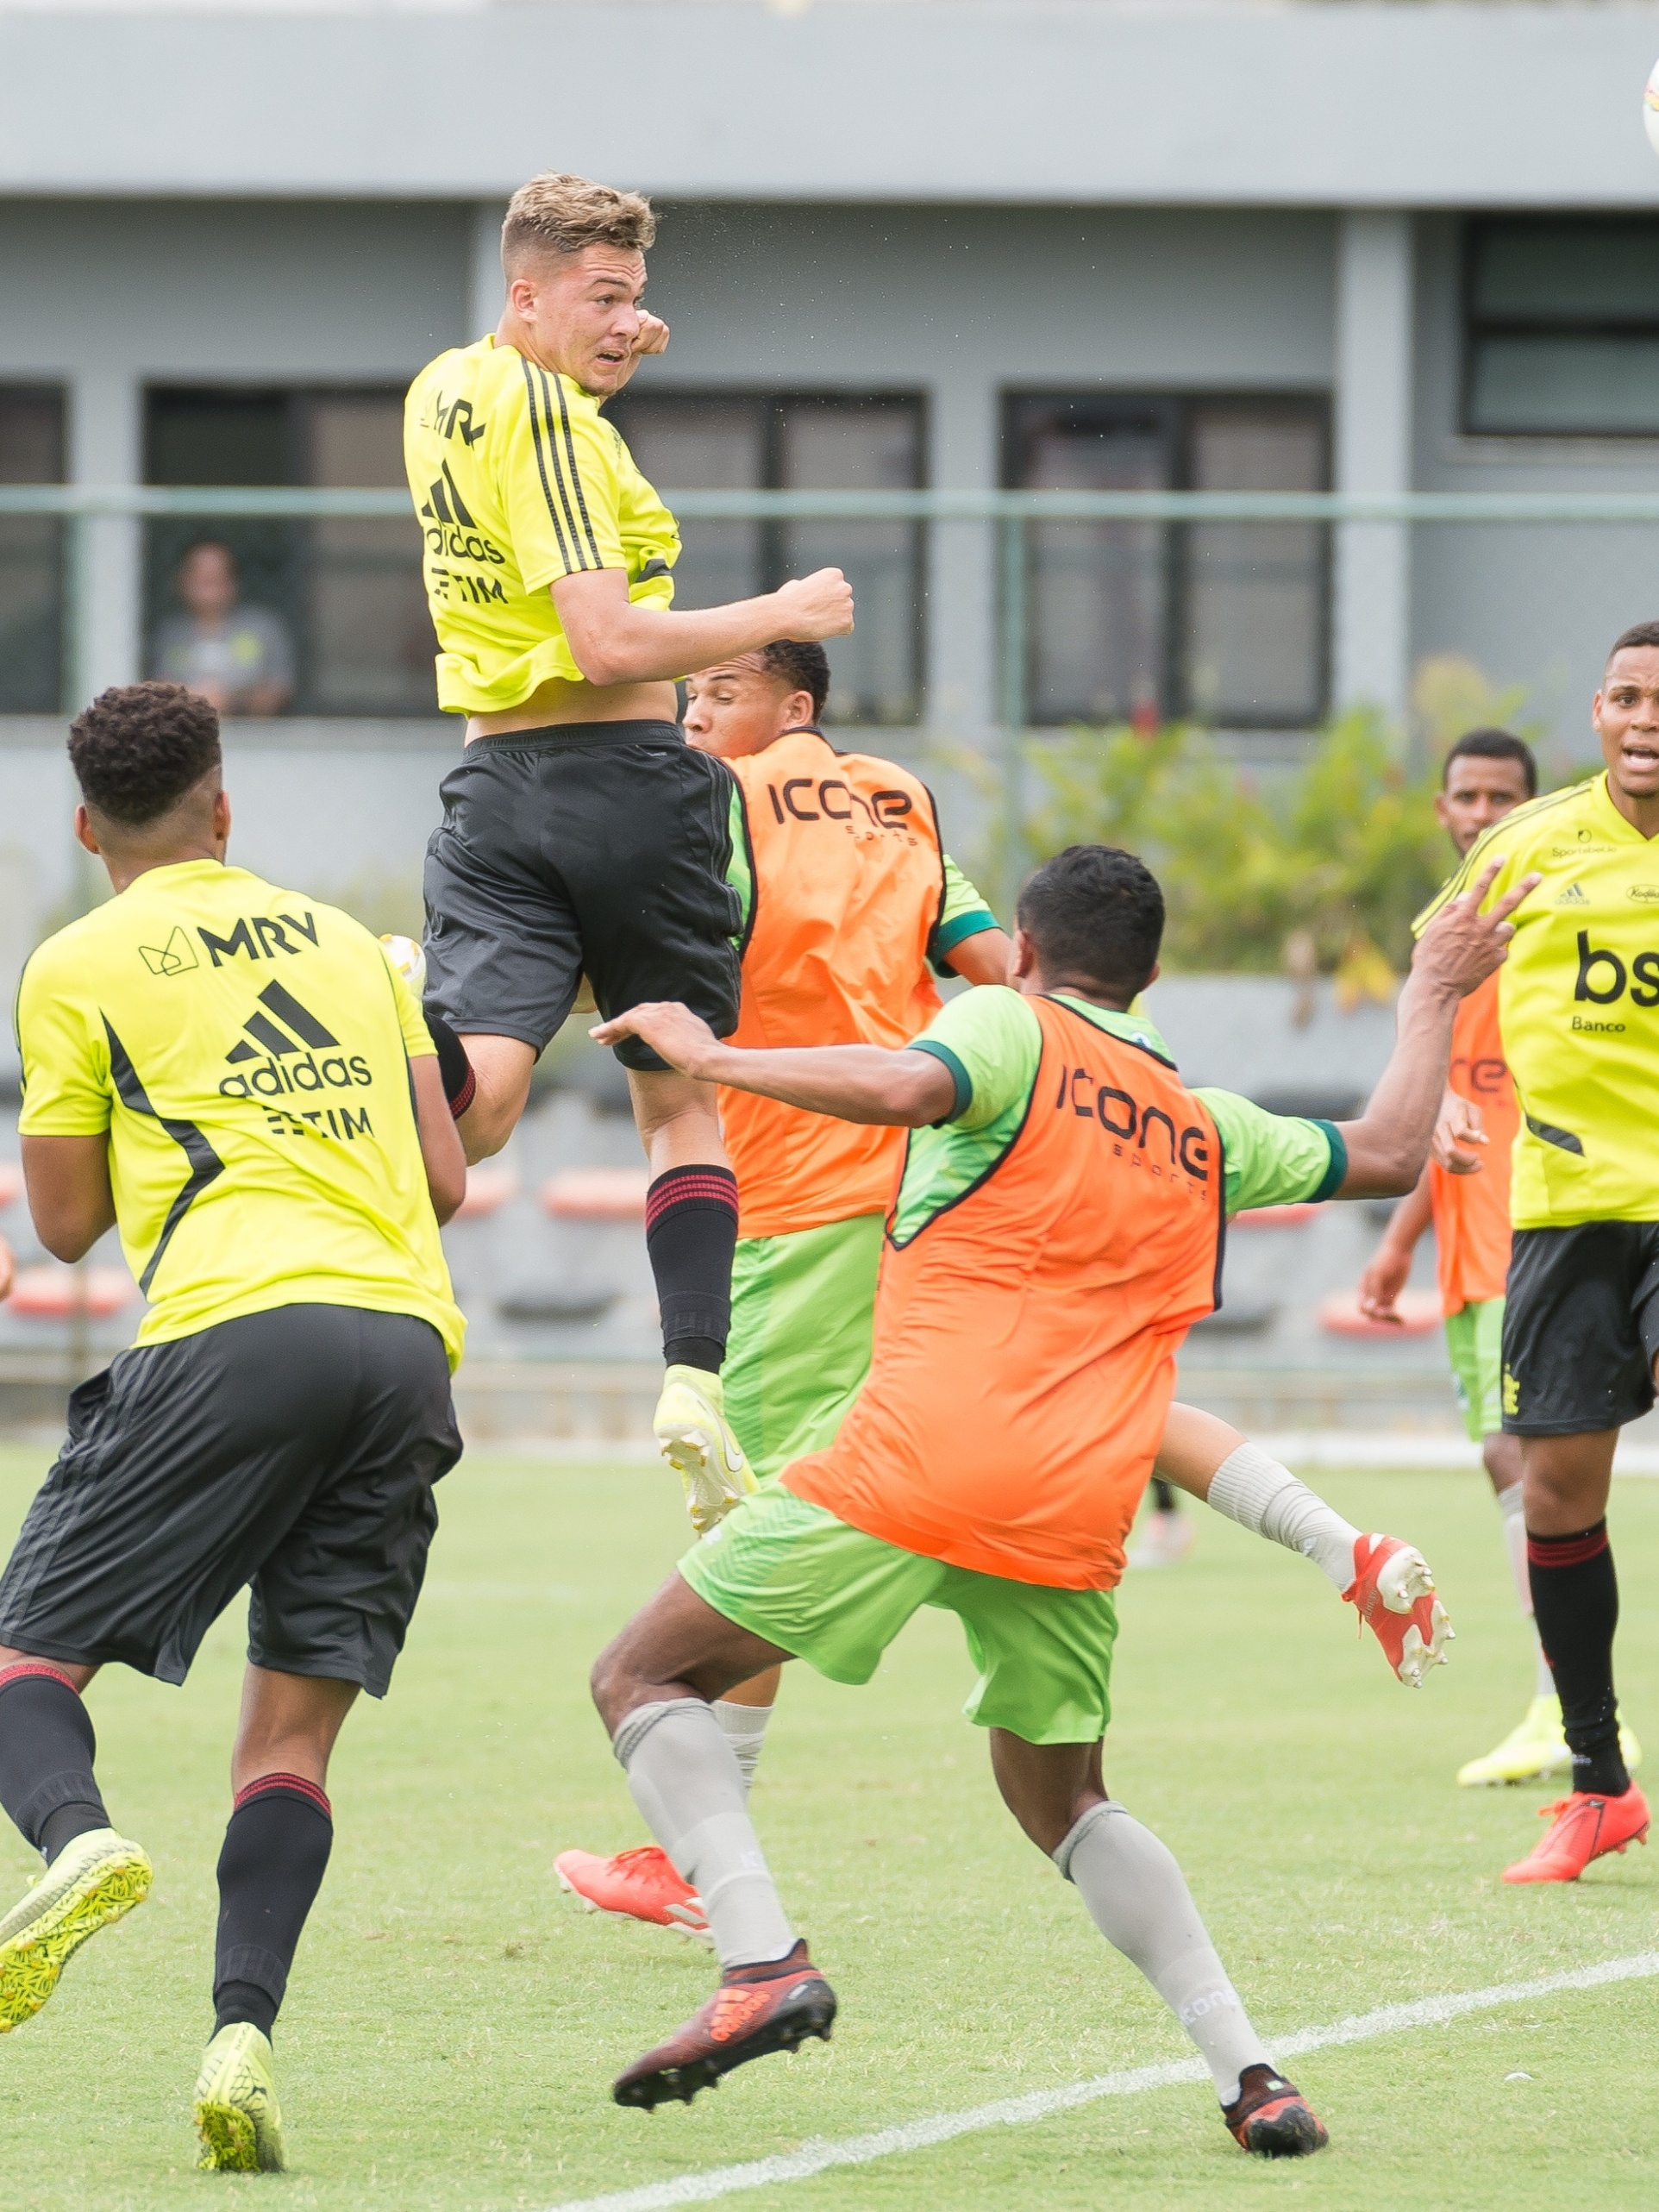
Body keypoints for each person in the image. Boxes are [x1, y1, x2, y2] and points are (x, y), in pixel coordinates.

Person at [583, 841, 1519, 2151]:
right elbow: (1385, 1148)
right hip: (1079, 1513)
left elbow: (912, 1082)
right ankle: (1253, 2074)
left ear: (1023, 953)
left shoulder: (1005, 1027)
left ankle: (760, 1961)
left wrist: (715, 1056)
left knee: (640, 1676)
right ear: (1150, 975)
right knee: (1060, 1795)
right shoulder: (1202, 1121)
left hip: (917, 1459)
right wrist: (1431, 991)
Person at [555, 648, 1451, 1946]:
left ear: (792, 706)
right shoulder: (904, 800)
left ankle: (697, 1856)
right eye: (689, 692)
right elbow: (997, 970)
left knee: (759, 1505)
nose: (696, 711)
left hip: (803, 1186)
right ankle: (1336, 1542)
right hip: (942, 1176)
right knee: (1083, 1393)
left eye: (723, 691)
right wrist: (1091, 1099)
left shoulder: (712, 804)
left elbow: (650, 965)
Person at [0, 682, 466, 2171]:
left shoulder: (73, 964)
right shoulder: (344, 941)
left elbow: (65, 1228)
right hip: (403, 1346)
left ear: (86, 827)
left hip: (234, 1332)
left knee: (22, 1666)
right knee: (288, 1741)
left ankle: (76, 1840)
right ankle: (240, 2041)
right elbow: (446, 1177)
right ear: (224, 806)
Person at [404, 172, 853, 1526]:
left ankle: (340, 1162)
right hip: (623, 780)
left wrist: (605, 357)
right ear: (527, 292)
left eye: (639, 296)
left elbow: (536, 465)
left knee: (476, 1108)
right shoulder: (552, 416)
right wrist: (778, 607)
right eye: (604, 295)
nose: (629, 317)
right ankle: (693, 1385)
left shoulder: (450, 385)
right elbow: (603, 641)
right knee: (675, 1091)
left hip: (493, 788)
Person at [1413, 621, 1659, 1883]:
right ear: (1601, 710)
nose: (1644, 717)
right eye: (1625, 695)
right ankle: (1601, 1783)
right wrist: (1433, 1093)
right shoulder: (1531, 845)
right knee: (1560, 1500)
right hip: (1566, 1212)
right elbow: (1437, 966)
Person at [1359, 729, 1636, 1789]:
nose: (1483, 815)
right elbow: (1444, 1109)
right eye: (1466, 797)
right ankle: (1561, 1710)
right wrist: (1395, 1245)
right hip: (1489, 1255)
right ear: (1442, 811)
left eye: (1502, 797)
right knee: (1511, 1467)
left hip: (1560, 1234)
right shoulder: (1460, 945)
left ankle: (1555, 1705)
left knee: (1530, 1470)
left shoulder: (1556, 909)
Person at [152, 542, 295, 718]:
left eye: (218, 579)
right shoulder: (171, 634)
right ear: (183, 582)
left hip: (253, 735)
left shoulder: (262, 627)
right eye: (203, 580)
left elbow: (280, 689)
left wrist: (233, 701)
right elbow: (157, 689)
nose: (211, 590)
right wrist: (194, 700)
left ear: (233, 582)